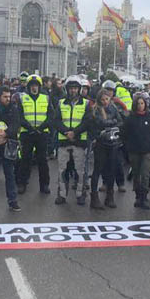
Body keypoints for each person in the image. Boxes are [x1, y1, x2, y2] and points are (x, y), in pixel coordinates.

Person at [53, 76, 91, 206]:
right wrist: (66, 132)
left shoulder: (86, 103)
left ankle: (81, 195)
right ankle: (62, 195)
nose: (73, 91)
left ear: (79, 89)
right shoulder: (61, 102)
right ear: (67, 89)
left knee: (80, 171)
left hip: (79, 141)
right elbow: (56, 121)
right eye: (71, 88)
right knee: (62, 170)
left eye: (75, 88)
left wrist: (75, 132)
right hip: (64, 141)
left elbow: (87, 121)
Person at [85, 89, 123, 209]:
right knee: (97, 170)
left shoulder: (113, 108)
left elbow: (120, 122)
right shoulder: (95, 109)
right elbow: (99, 123)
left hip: (112, 143)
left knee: (111, 170)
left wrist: (111, 124)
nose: (105, 101)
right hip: (100, 143)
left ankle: (109, 196)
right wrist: (112, 123)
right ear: (99, 100)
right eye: (102, 99)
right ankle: (94, 198)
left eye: (107, 99)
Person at [17, 75, 52, 195]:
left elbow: (51, 116)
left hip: (42, 133)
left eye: (36, 85)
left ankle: (44, 185)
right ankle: (22, 183)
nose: (34, 88)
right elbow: (19, 116)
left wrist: (41, 128)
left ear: (39, 86)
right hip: (27, 133)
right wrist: (30, 128)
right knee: (25, 159)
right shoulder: (22, 98)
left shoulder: (46, 98)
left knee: (42, 160)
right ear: (28, 87)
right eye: (32, 85)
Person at [122, 93, 150, 209]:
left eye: (142, 103)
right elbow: (124, 134)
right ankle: (137, 196)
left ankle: (144, 197)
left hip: (147, 151)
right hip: (134, 150)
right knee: (136, 174)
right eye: (138, 103)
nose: (140, 106)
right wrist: (128, 146)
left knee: (145, 174)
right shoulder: (130, 119)